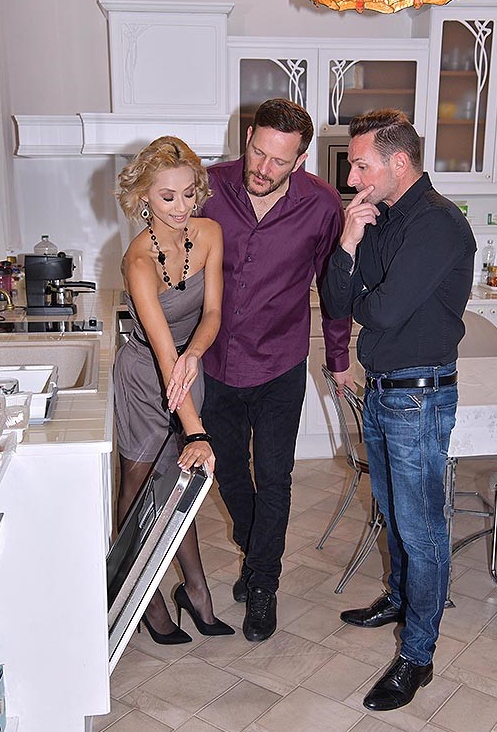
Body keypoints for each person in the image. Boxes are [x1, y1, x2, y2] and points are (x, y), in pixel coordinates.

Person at [322, 109, 476, 711]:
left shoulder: (437, 224)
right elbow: (338, 301)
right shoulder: (377, 219)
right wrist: (347, 242)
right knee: (391, 513)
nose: (352, 178)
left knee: (422, 530)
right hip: (384, 389)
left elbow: (381, 312)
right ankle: (400, 597)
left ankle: (418, 655)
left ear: (399, 162)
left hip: (419, 396)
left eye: (361, 165)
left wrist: (365, 295)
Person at [200, 98, 352, 642]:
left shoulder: (322, 205)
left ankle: (263, 582)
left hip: (280, 362)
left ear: (300, 160)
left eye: (279, 161)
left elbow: (334, 285)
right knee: (227, 473)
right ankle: (256, 548)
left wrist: (338, 356)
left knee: (275, 477)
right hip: (215, 360)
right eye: (258, 153)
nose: (263, 169)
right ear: (248, 138)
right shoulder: (208, 188)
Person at [114, 135, 234, 644]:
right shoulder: (138, 261)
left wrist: (194, 356)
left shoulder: (209, 233)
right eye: (167, 196)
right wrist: (196, 433)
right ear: (143, 195)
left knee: (180, 488)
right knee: (137, 489)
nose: (182, 207)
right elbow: (164, 357)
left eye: (189, 193)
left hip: (188, 369)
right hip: (147, 376)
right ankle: (144, 597)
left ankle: (197, 590)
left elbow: (213, 314)